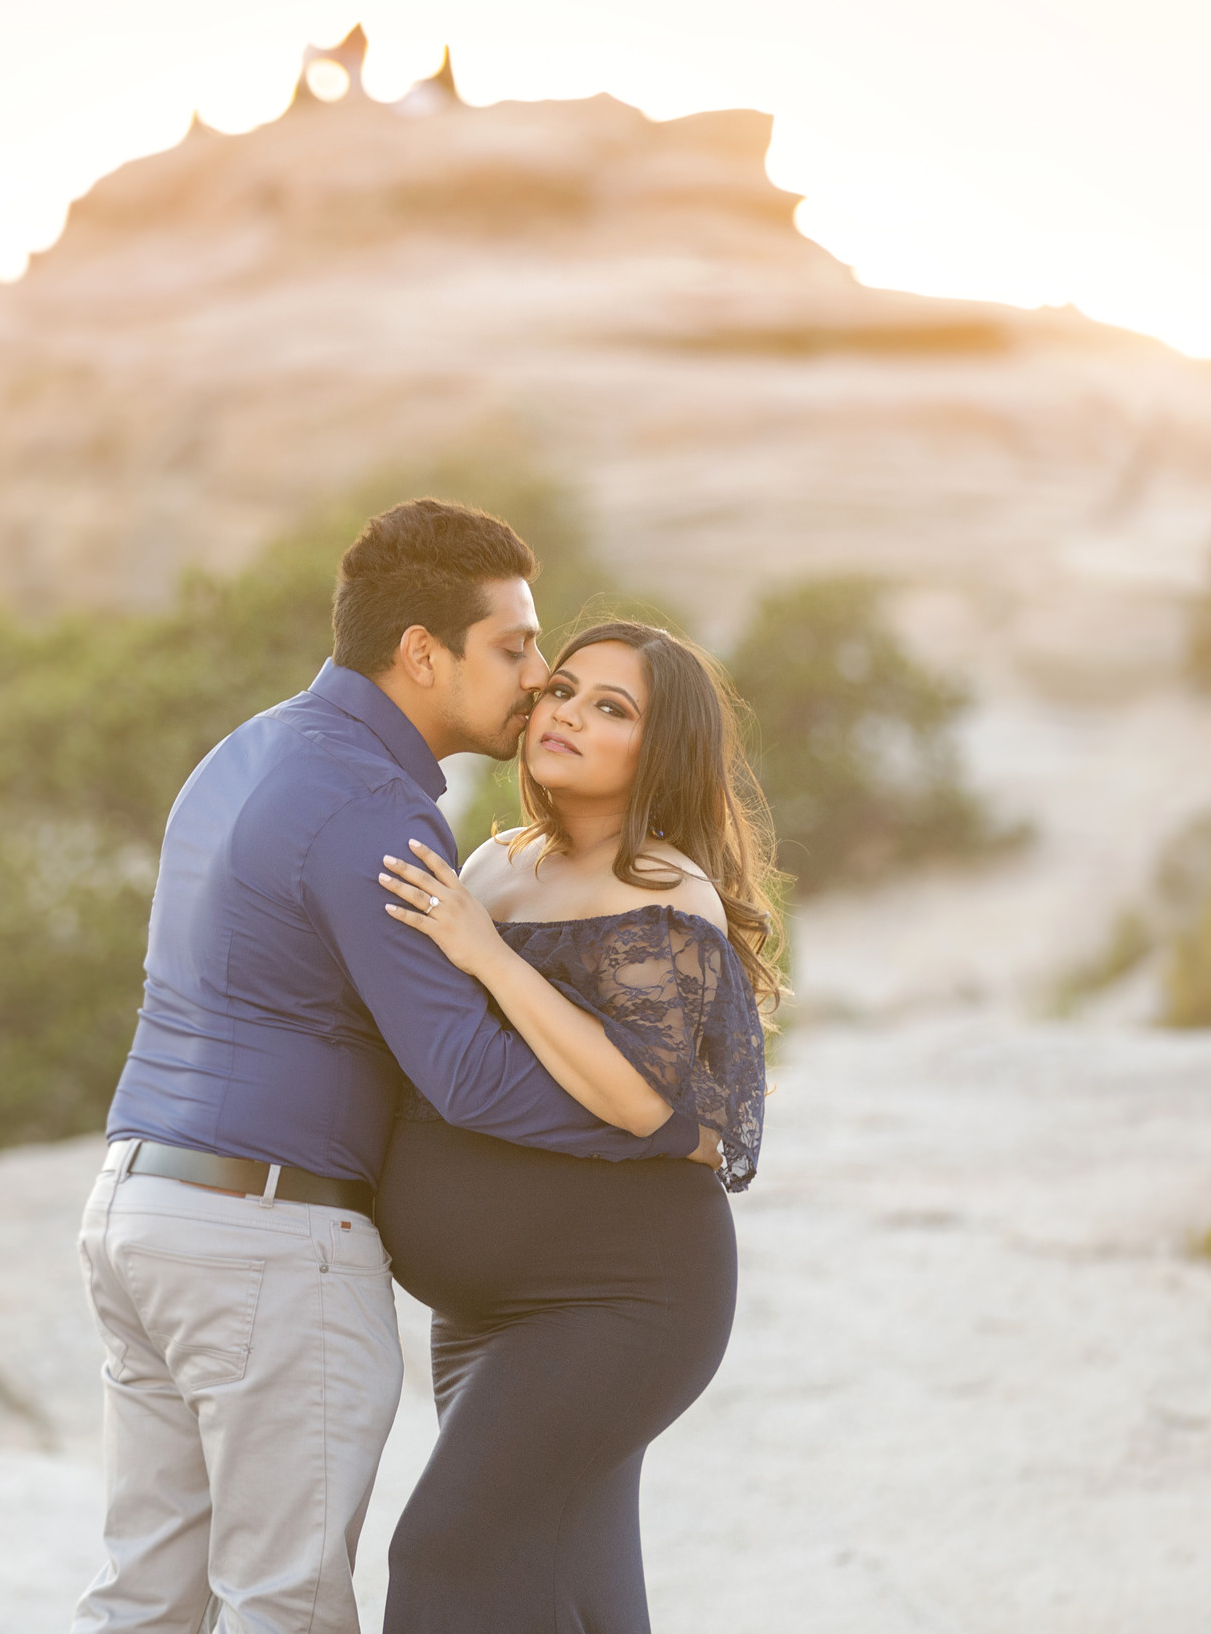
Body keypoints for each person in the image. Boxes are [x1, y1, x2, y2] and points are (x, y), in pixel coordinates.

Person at [73, 503, 719, 1634]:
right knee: (284, 1605)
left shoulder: (249, 751)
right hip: (261, 1245)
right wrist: (659, 1123)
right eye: (517, 651)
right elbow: (465, 1075)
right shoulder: (374, 812)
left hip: (141, 1212)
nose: (537, 681)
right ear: (423, 653)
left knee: (145, 1598)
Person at [369, 618, 782, 1634]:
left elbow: (641, 1095)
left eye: (612, 709)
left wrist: (489, 956)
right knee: (568, 1589)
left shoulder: (660, 887)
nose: (565, 715)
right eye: (561, 691)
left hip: (622, 1298)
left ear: (659, 752)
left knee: (445, 1550)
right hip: (493, 1311)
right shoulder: (498, 864)